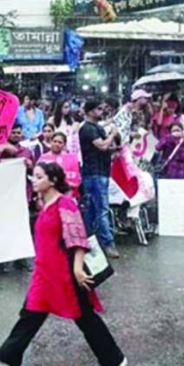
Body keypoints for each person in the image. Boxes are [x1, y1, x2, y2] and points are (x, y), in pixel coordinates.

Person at [0, 162, 126, 366]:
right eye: (34, 176)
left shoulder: (65, 204)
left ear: (52, 181)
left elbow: (77, 238)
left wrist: (78, 269)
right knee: (30, 315)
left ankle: (113, 360)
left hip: (65, 274)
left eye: (39, 177)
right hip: (45, 273)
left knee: (85, 318)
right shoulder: (46, 204)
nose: (34, 180)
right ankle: (8, 359)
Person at [79, 100, 120, 258]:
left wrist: (114, 148)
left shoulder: (96, 128)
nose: (102, 112)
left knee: (91, 209)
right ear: (90, 111)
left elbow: (104, 148)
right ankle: (107, 243)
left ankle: (88, 241)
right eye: (99, 109)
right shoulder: (88, 129)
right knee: (101, 209)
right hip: (94, 173)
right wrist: (112, 135)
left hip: (100, 171)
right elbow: (102, 146)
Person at [38, 132, 81, 198]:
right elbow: (38, 179)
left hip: (67, 194)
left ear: (64, 145)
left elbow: (76, 180)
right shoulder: (43, 158)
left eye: (60, 142)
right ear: (50, 142)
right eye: (54, 141)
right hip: (47, 195)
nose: (56, 144)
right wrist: (39, 198)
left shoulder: (71, 158)